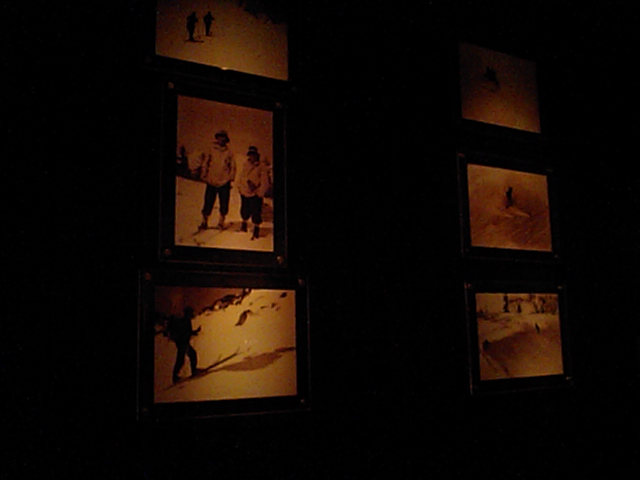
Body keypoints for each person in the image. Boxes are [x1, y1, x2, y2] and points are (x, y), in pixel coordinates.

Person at [198, 130, 236, 230]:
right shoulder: (211, 149)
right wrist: (204, 173)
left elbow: (233, 166)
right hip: (212, 180)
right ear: (217, 138)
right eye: (220, 137)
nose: (221, 139)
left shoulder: (229, 152)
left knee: (224, 203)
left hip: (224, 181)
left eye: (223, 138)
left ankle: (221, 222)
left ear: (226, 140)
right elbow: (206, 162)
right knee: (208, 202)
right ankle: (204, 221)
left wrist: (231, 177)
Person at [237, 146, 269, 240]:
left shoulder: (261, 167)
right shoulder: (245, 164)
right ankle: (244, 224)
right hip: (245, 191)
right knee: (244, 210)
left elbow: (265, 181)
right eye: (250, 155)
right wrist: (241, 188)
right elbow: (241, 177)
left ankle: (256, 229)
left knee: (256, 212)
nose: (252, 157)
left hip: (255, 193)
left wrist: (260, 192)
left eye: (254, 155)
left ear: (257, 156)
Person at [165, 307, 201, 384]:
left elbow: (187, 332)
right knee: (188, 356)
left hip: (181, 342)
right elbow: (185, 332)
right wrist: (192, 333)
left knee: (183, 357)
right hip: (183, 342)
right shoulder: (185, 321)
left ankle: (176, 376)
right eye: (191, 313)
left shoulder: (184, 320)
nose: (192, 315)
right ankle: (191, 371)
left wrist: (194, 332)